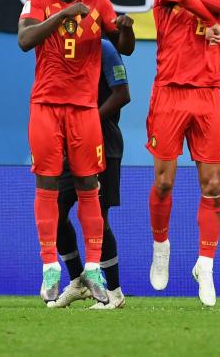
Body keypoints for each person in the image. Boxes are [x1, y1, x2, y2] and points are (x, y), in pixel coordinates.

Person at [17, 0, 134, 305]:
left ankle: (94, 267)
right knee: (48, 181)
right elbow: (25, 40)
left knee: (88, 184)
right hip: (46, 105)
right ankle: (50, 265)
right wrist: (64, 14)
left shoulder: (98, 2)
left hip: (84, 109)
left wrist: (126, 29)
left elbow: (123, 47)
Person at [147, 0, 220, 307]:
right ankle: (161, 246)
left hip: (207, 97)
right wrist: (207, 16)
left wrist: (206, 6)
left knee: (212, 183)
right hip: (170, 93)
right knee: (165, 182)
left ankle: (205, 265)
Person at [48, 38, 130, 309]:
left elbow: (122, 94)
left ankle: (115, 293)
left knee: (98, 219)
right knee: (56, 212)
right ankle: (78, 281)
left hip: (103, 143)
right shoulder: (60, 49)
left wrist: (88, 121)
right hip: (71, 143)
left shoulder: (104, 49)